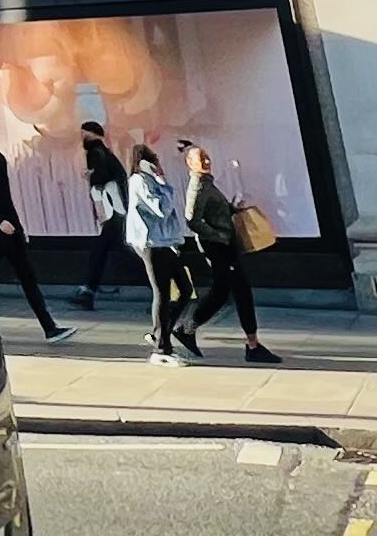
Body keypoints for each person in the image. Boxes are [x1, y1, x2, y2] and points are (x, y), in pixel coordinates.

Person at [176, 139, 280, 364]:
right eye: (199, 158)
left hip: (222, 244)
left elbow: (210, 213)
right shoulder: (199, 185)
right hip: (219, 246)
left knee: (222, 292)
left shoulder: (206, 183)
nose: (205, 161)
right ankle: (252, 345)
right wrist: (218, 235)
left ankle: (188, 329)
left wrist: (231, 208)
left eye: (206, 157)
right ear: (189, 164)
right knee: (240, 290)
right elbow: (192, 219)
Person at [0, 117, 68, 342]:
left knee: (27, 277)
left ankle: (49, 328)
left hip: (9, 230)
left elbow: (6, 196)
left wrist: (18, 225)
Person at [123, 143, 196, 365]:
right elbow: (160, 209)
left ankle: (160, 333)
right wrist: (163, 184)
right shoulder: (139, 181)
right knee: (162, 292)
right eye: (152, 159)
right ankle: (161, 349)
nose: (157, 163)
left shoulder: (150, 181)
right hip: (151, 243)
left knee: (185, 288)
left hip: (164, 242)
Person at [74, 119, 126, 313]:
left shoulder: (95, 152)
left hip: (112, 212)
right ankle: (88, 292)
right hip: (116, 210)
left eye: (83, 134)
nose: (82, 139)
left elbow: (102, 178)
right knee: (100, 251)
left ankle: (166, 291)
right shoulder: (105, 153)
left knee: (128, 254)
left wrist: (91, 176)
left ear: (92, 134)